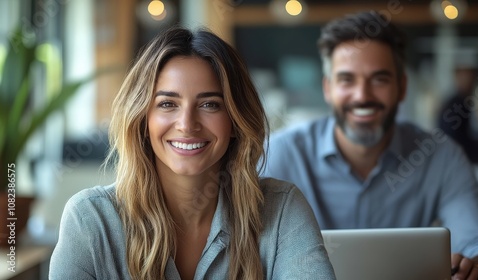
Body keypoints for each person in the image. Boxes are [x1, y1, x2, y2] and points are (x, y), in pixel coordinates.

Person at [49, 26, 335, 280]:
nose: (187, 125)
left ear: (235, 121)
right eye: (167, 104)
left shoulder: (282, 209)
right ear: (142, 120)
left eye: (210, 104)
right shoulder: (90, 219)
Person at [261, 11, 478, 280]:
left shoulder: (439, 156)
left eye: (379, 79)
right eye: (347, 79)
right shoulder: (279, 154)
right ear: (328, 88)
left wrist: (477, 271)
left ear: (402, 87)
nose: (362, 95)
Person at [437, 48, 478, 164]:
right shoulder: (456, 104)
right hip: (455, 161)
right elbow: (454, 140)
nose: (469, 80)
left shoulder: (464, 101)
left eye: (471, 75)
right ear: (457, 76)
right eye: (464, 75)